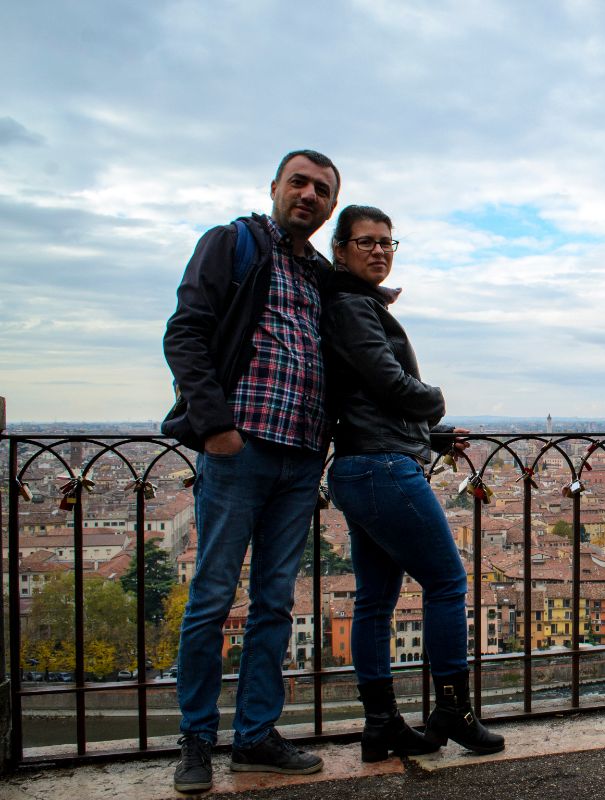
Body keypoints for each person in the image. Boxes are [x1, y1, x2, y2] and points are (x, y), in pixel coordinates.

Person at [162, 150, 339, 793]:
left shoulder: (320, 274)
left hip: (301, 455)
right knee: (212, 598)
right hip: (241, 451)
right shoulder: (233, 244)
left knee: (274, 603)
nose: (309, 195)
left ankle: (255, 737)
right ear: (274, 187)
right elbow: (185, 333)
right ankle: (196, 740)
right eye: (299, 182)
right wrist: (216, 428)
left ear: (330, 206)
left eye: (322, 189)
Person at [322, 204, 504, 760]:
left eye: (387, 242)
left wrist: (430, 434)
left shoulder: (349, 303)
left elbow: (366, 399)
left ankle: (381, 723)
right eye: (366, 241)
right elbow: (389, 382)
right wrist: (435, 401)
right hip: (383, 468)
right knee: (447, 582)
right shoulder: (353, 306)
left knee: (375, 602)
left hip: (358, 467)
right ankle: (453, 710)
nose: (379, 250)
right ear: (341, 250)